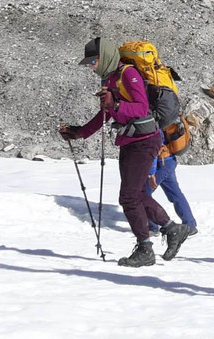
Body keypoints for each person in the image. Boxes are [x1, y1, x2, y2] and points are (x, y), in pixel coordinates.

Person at [60, 37, 191, 267]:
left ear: (106, 57)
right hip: (131, 141)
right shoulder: (111, 79)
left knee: (128, 196)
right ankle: (172, 229)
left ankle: (145, 248)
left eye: (93, 61)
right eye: (90, 63)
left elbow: (140, 107)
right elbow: (105, 115)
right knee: (136, 194)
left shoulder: (128, 74)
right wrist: (79, 132)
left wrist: (116, 104)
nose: (92, 67)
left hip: (145, 141)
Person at [146, 154, 198, 236]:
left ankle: (152, 228)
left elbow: (154, 149)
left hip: (160, 164)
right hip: (169, 161)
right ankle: (190, 225)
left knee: (144, 194)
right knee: (176, 194)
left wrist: (151, 171)